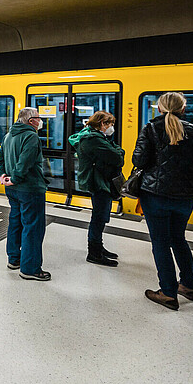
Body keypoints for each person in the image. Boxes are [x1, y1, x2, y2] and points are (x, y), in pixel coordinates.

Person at [132, 92, 193, 310]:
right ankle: (188, 285)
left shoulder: (150, 129)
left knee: (160, 243)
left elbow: (138, 160)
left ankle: (167, 292)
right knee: (178, 239)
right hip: (185, 197)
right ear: (183, 109)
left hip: (155, 196)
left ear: (158, 109)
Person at [0, 107, 50, 281]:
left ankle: (14, 259)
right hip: (30, 189)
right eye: (38, 118)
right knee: (33, 227)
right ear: (31, 120)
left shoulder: (8, 135)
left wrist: (3, 175)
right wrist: (16, 178)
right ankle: (30, 268)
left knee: (15, 223)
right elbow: (24, 162)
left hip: (12, 189)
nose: (40, 121)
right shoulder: (31, 136)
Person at [68, 111, 125, 267]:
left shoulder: (96, 137)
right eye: (110, 124)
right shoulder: (93, 140)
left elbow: (114, 152)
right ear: (102, 124)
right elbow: (118, 157)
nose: (111, 127)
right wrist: (118, 151)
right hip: (99, 182)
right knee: (99, 217)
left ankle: (98, 247)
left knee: (99, 216)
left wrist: (114, 149)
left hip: (100, 180)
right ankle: (94, 253)